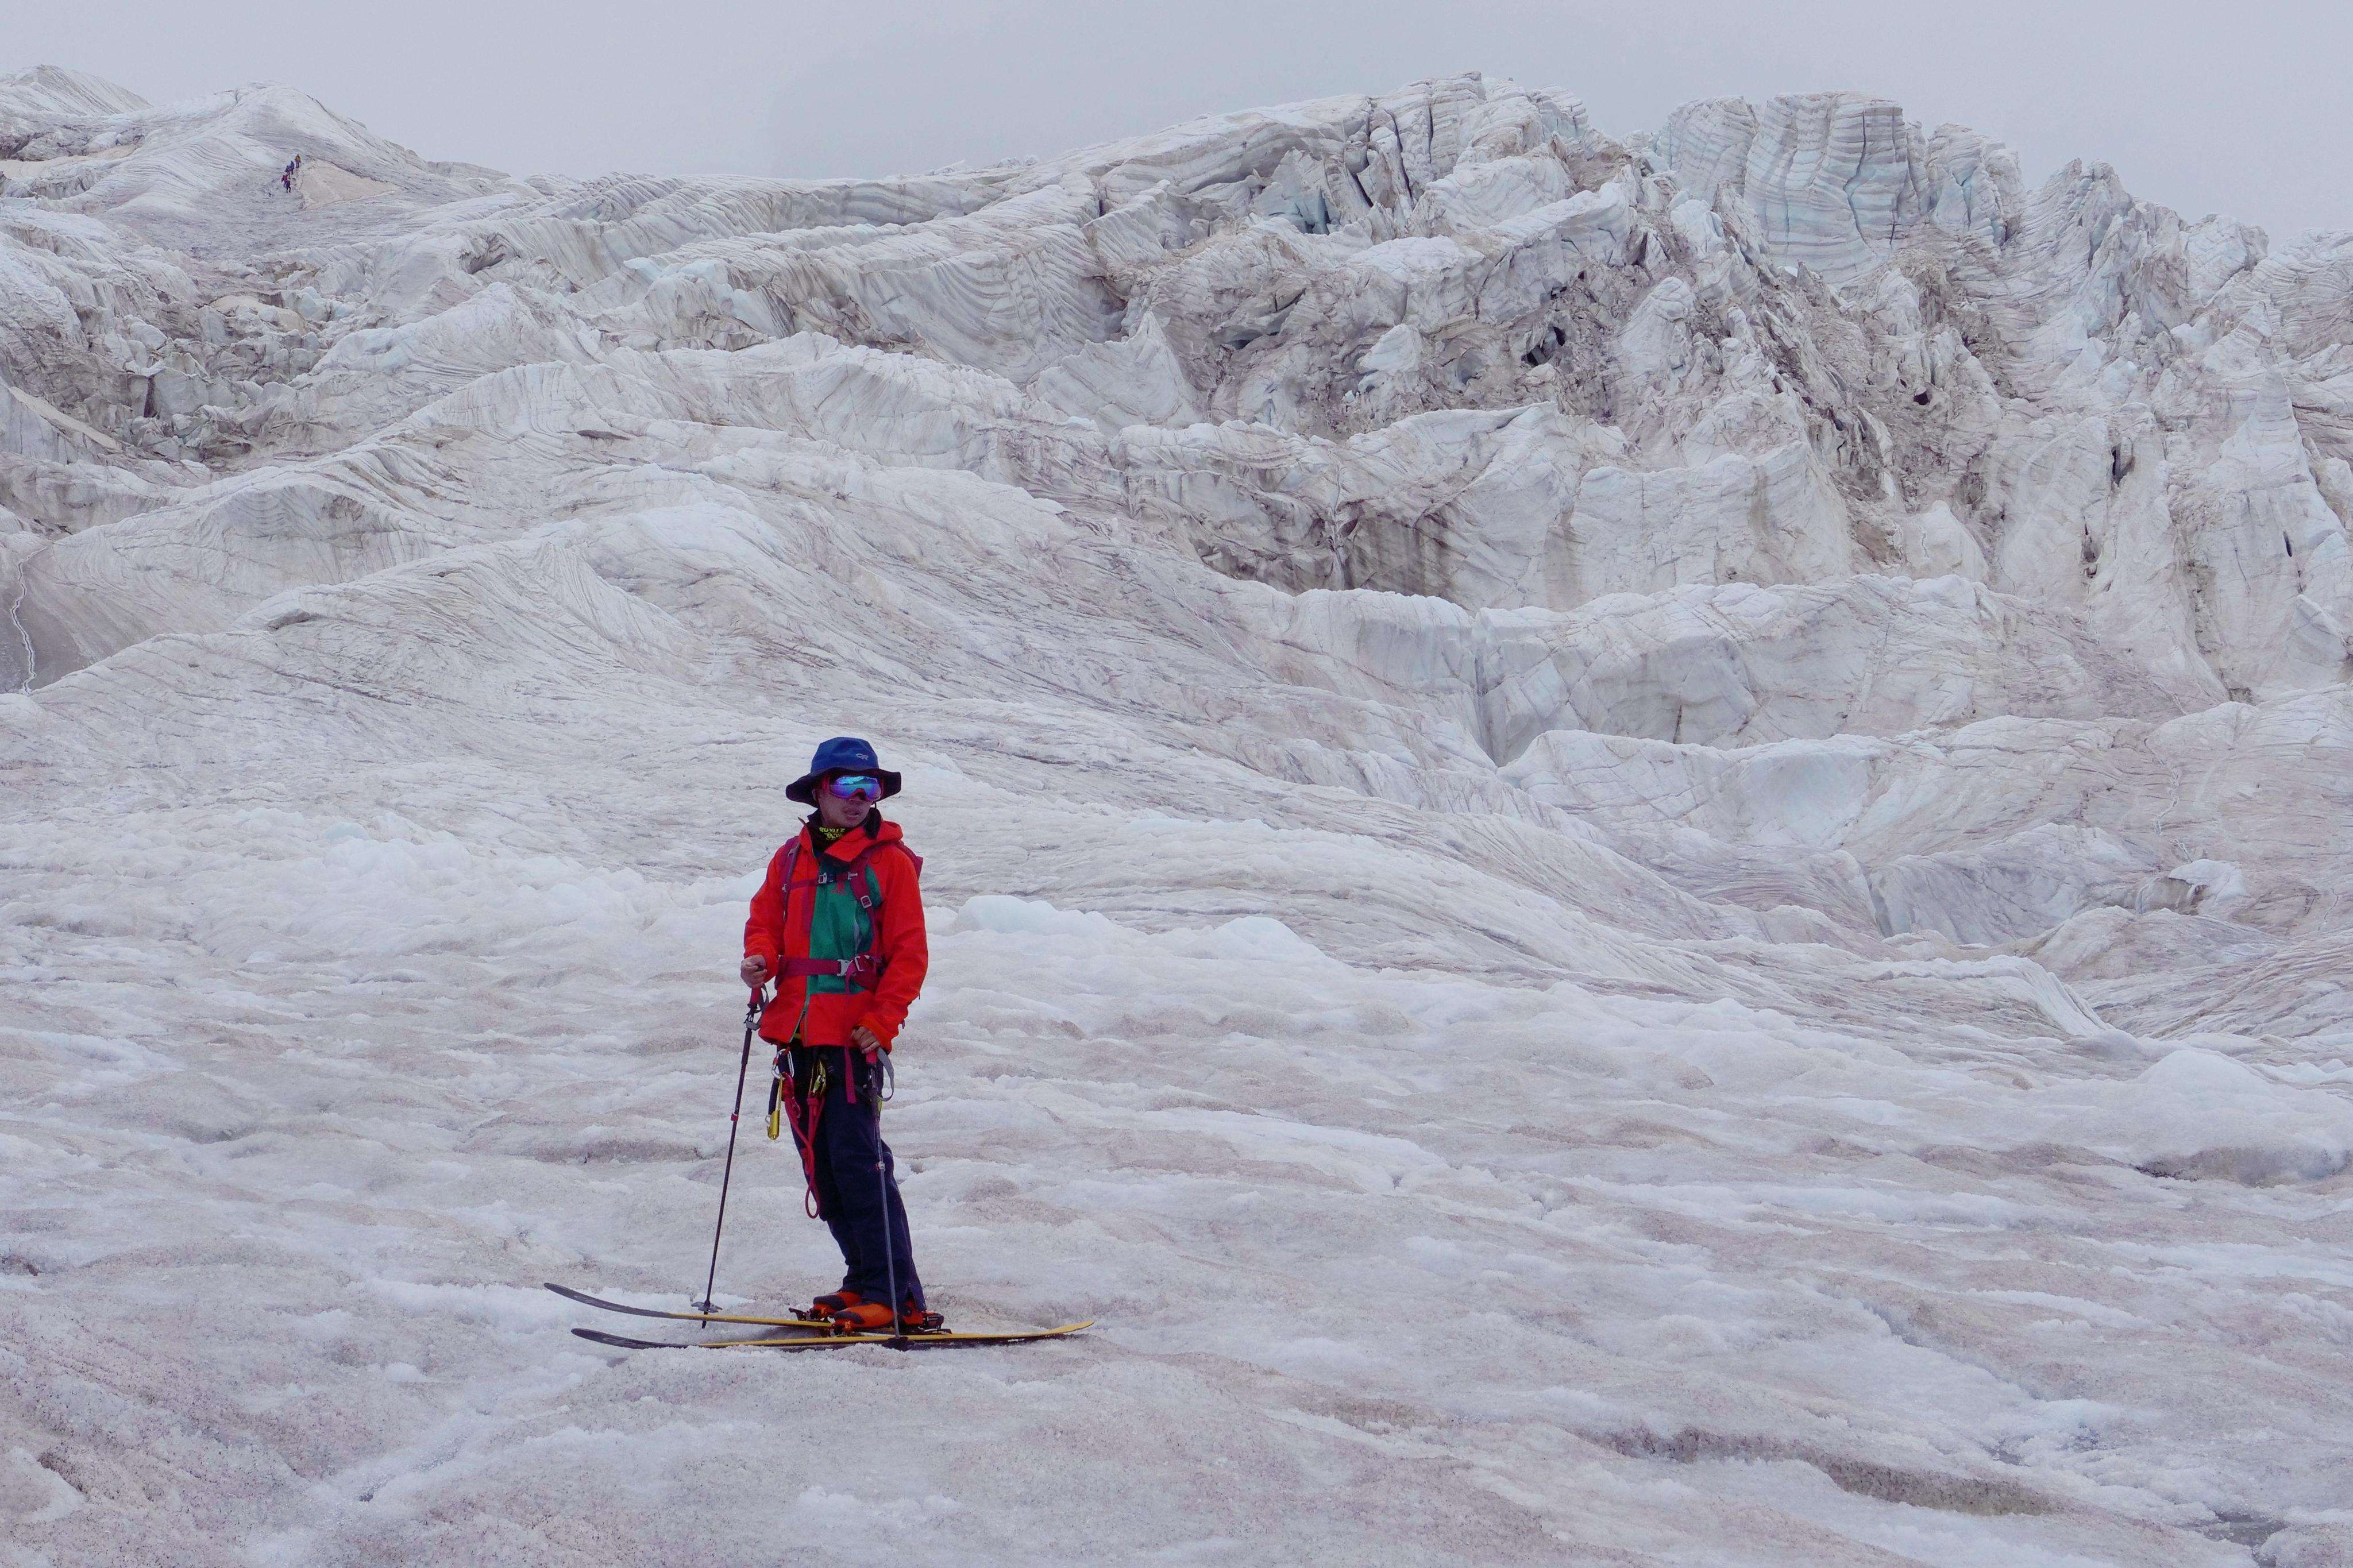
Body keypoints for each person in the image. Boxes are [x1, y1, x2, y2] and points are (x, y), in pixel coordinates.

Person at [739, 736, 936, 1333]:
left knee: (859, 1163)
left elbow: (909, 954)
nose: (859, 799)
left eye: (869, 787)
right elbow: (765, 922)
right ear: (820, 792)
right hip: (798, 1034)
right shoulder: (790, 858)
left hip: (854, 1038)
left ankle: (895, 1296)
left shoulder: (890, 861)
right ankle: (862, 1281)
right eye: (849, 787)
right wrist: (758, 959)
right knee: (822, 1168)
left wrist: (882, 1023)